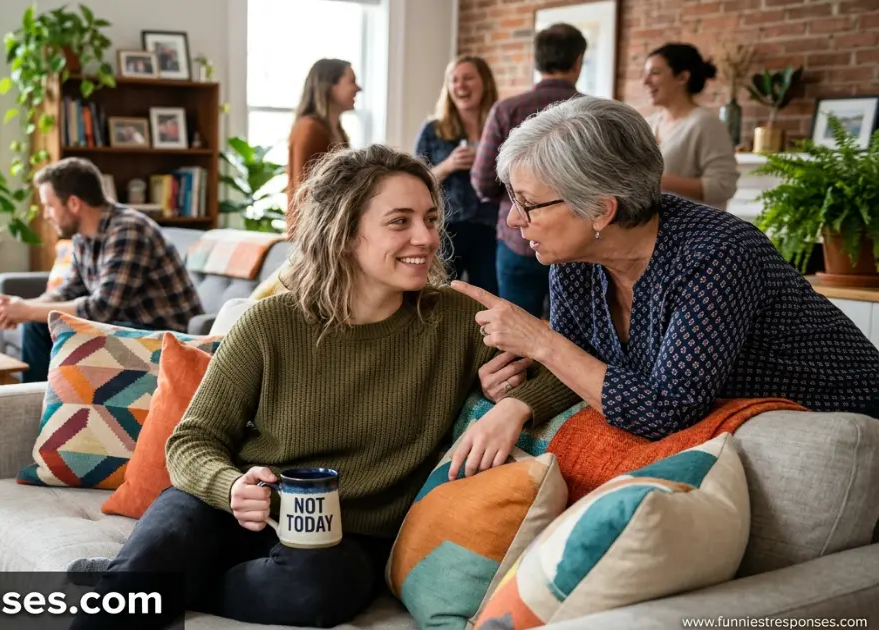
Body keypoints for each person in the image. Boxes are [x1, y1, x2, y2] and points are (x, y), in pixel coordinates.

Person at [70, 145, 577, 630]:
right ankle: (138, 585)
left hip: (345, 537)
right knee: (160, 552)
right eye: (399, 221)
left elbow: (565, 369)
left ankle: (141, 586)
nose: (424, 237)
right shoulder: (271, 322)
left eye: (430, 218)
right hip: (234, 510)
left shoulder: (459, 320)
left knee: (313, 596)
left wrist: (514, 406)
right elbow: (192, 441)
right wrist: (231, 486)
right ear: (344, 232)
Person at [453, 96, 879, 442]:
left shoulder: (717, 254)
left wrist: (541, 342)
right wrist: (516, 397)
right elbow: (580, 368)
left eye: (527, 204)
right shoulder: (575, 261)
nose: (513, 220)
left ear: (601, 210)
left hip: (841, 431)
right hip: (747, 429)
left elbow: (663, 413)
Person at [0, 157, 203, 383]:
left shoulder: (128, 230)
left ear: (74, 203)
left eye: (49, 206)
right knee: (36, 325)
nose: (46, 214)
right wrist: (21, 307)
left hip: (165, 337)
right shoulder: (82, 236)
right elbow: (70, 291)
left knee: (40, 320)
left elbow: (101, 310)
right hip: (124, 325)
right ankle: (37, 406)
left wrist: (27, 310)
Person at [472, 23, 587, 318]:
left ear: (536, 62)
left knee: (517, 337)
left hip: (518, 240)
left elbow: (483, 182)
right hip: (581, 243)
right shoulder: (593, 114)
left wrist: (518, 196)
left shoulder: (506, 110)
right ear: (578, 61)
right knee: (577, 340)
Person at [415, 55, 500, 295]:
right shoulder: (434, 129)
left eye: (468, 78)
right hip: (446, 227)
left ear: (485, 82)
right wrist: (448, 165)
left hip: (490, 226)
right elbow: (416, 181)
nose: (460, 85)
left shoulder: (499, 127)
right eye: (454, 80)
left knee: (487, 296)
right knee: (438, 293)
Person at [642, 43, 740, 210]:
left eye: (655, 73)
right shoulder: (648, 125)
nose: (646, 82)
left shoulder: (705, 124)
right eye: (645, 74)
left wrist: (656, 180)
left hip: (695, 231)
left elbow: (723, 186)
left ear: (682, 77)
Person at [286, 58, 361, 234]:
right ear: (329, 87)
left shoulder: (337, 132)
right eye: (352, 81)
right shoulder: (310, 130)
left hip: (329, 230)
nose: (358, 88)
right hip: (312, 234)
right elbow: (305, 191)